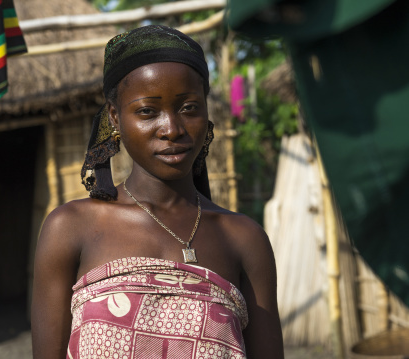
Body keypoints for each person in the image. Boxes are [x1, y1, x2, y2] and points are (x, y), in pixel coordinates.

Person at [31, 25, 284, 359]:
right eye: (148, 111)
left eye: (189, 107)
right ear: (114, 118)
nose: (172, 129)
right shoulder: (70, 228)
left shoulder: (244, 238)